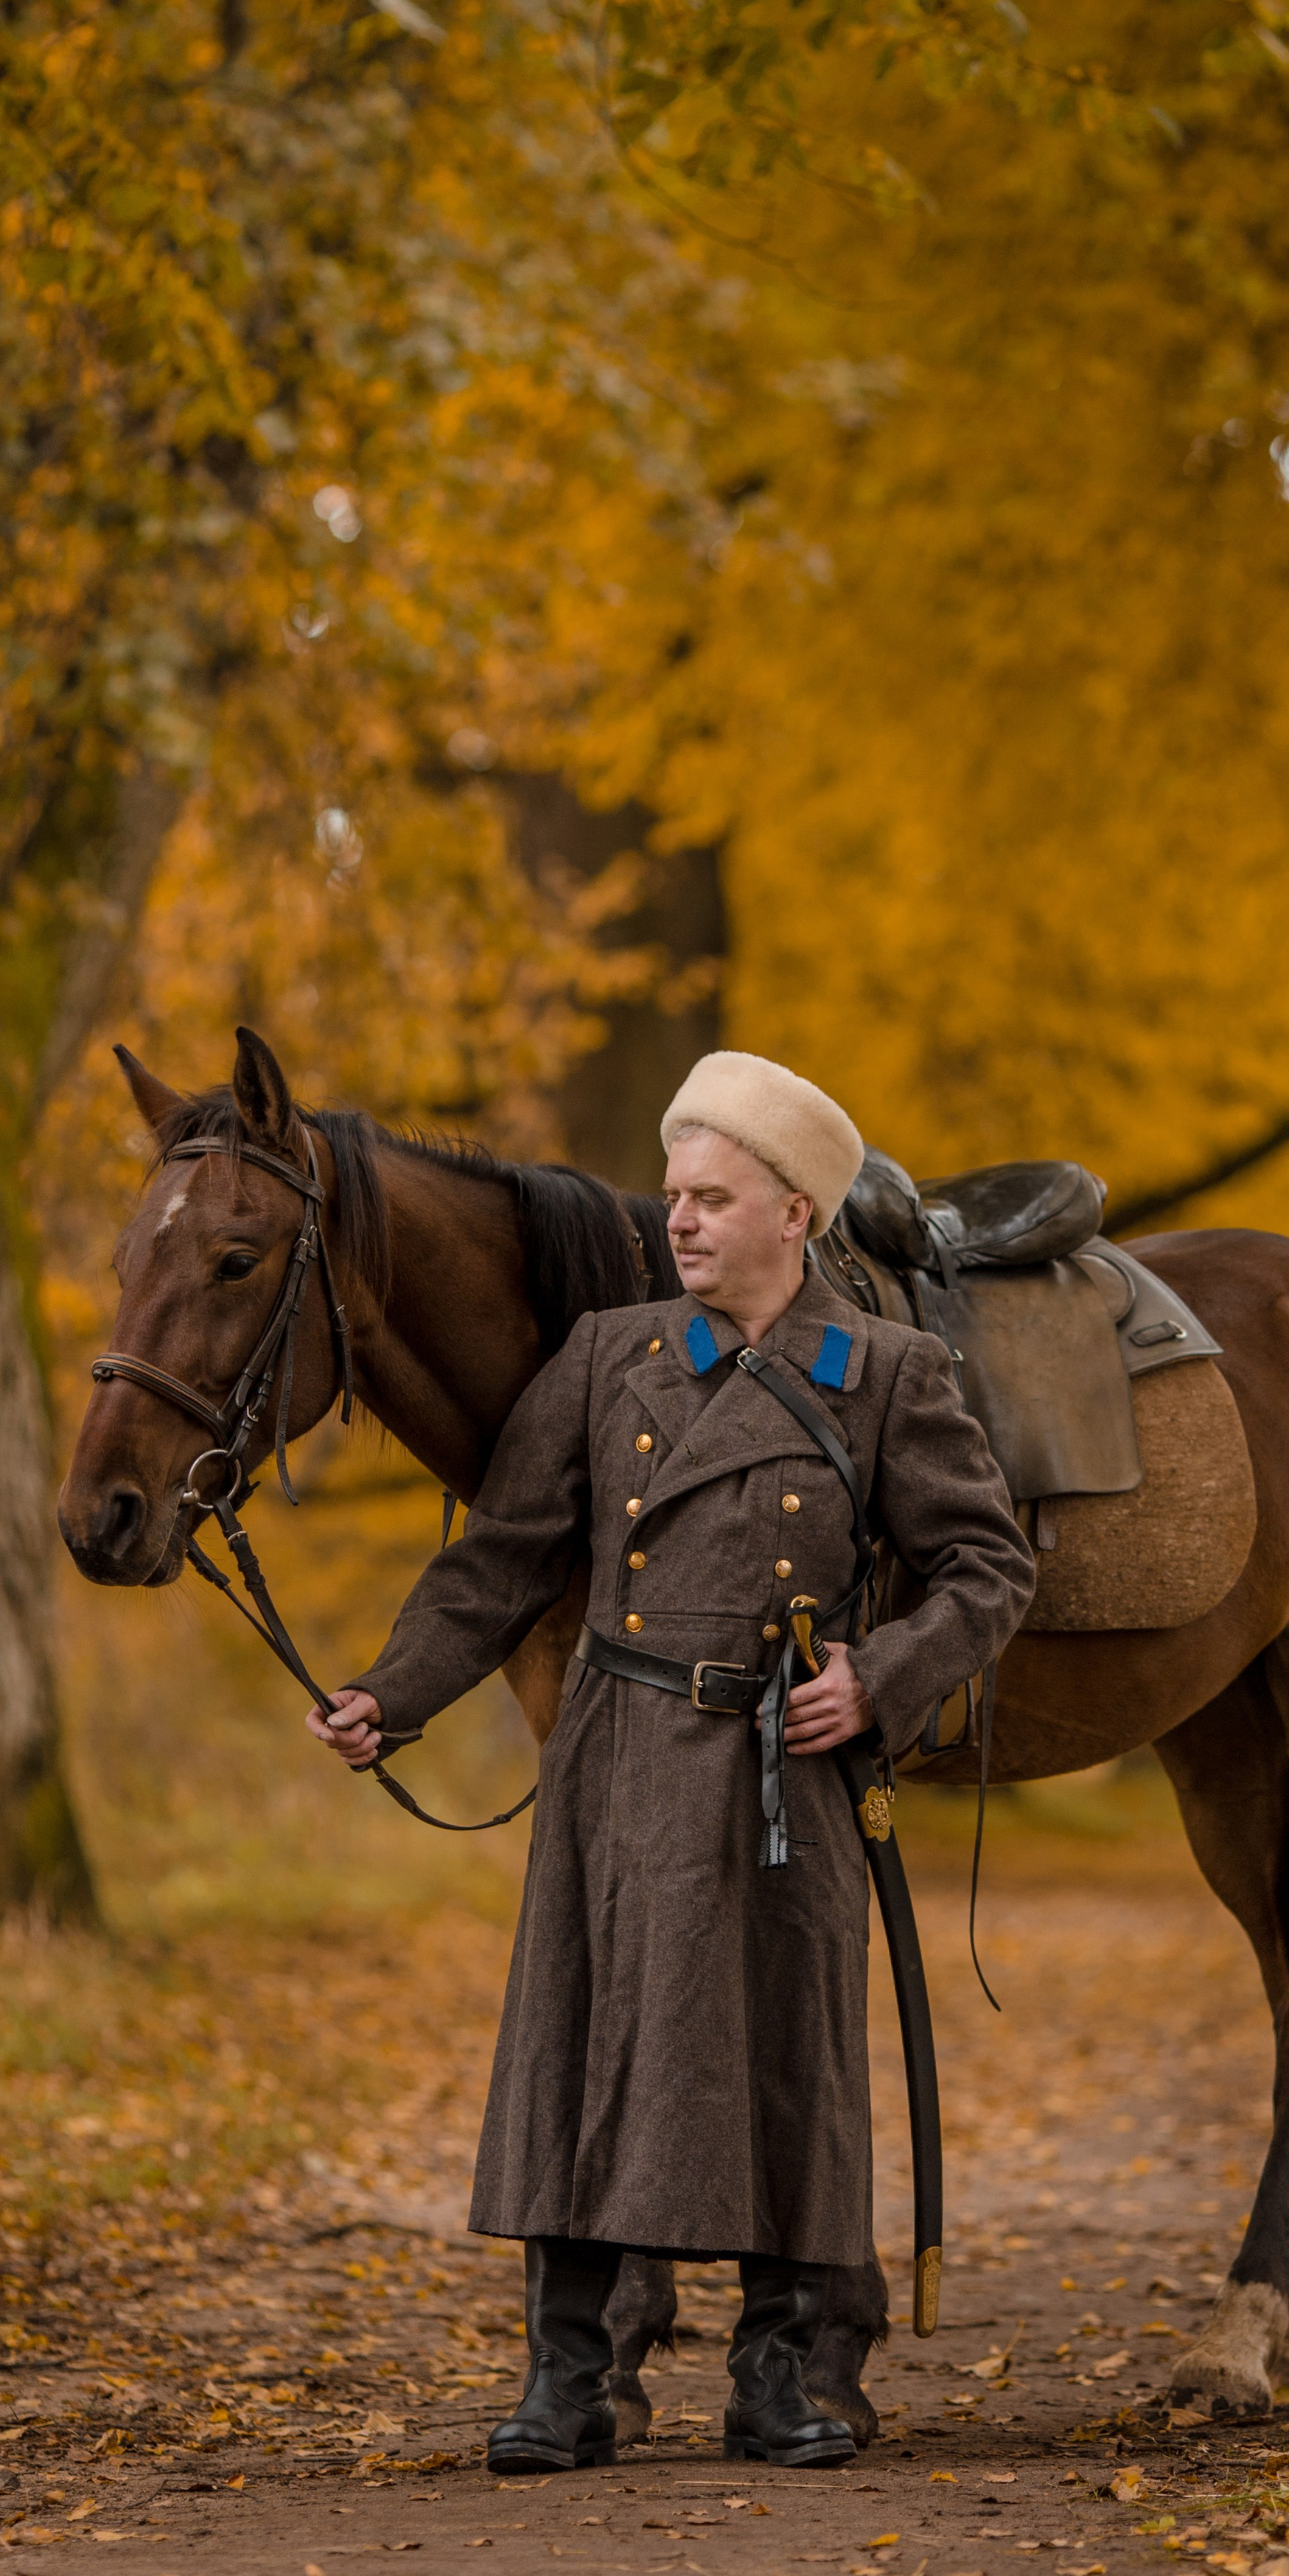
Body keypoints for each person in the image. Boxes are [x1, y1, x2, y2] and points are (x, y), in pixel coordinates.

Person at [312, 1051, 1035, 2471]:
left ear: (796, 1215)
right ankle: (568, 2382)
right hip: (618, 1755)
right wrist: (389, 1696)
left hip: (785, 1765)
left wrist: (877, 1680)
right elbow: (501, 1561)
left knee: (788, 2062)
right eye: (673, 1197)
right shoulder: (608, 1356)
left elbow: (987, 1569)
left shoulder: (888, 1374)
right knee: (583, 2046)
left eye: (712, 1199)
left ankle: (780, 2378)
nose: (680, 1223)